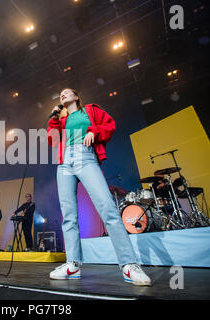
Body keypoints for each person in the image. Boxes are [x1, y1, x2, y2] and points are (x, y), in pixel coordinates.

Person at [46, 88, 151, 286]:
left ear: (77, 97)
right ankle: (73, 264)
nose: (63, 94)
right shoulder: (61, 119)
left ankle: (129, 264)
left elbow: (109, 125)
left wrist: (93, 131)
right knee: (68, 216)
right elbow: (52, 141)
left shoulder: (89, 110)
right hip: (65, 162)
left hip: (86, 157)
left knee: (108, 208)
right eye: (60, 93)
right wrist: (53, 119)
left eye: (67, 92)